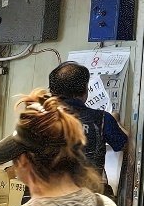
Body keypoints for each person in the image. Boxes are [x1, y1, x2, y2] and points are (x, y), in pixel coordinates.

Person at [48, 61, 128, 194]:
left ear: (52, 91)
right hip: (89, 200)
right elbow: (124, 145)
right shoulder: (102, 119)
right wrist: (115, 122)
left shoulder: (38, 120)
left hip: (47, 200)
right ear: (85, 90)